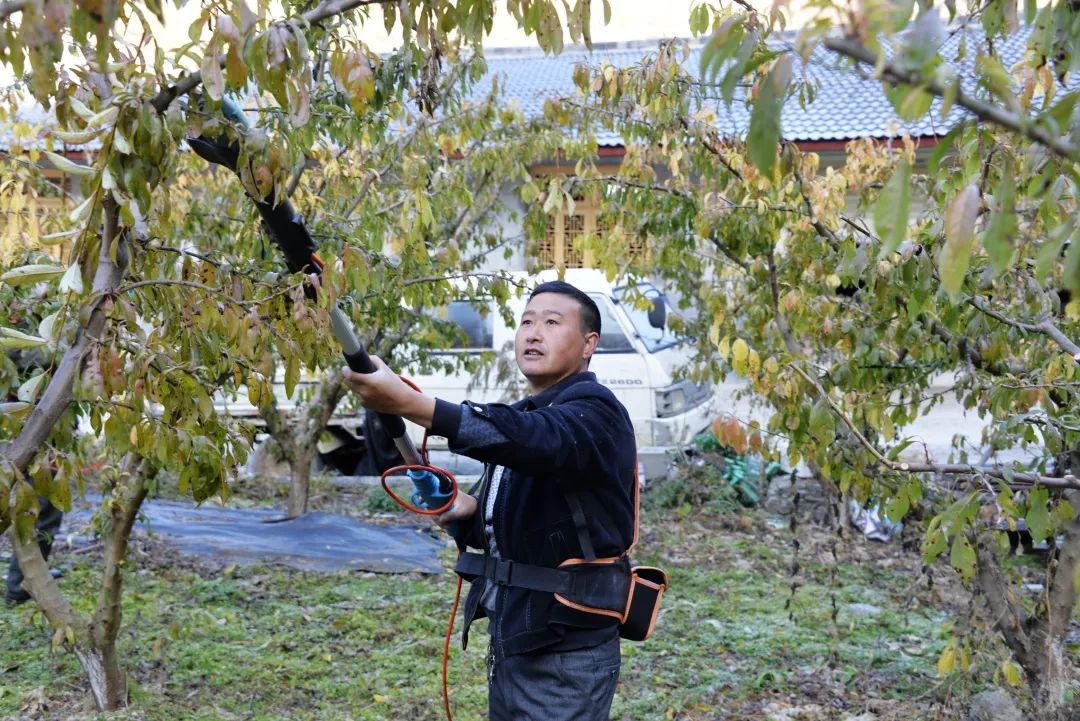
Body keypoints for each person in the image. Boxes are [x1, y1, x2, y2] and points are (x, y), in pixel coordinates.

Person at [344, 280, 636, 720]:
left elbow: (535, 442)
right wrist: (465, 510)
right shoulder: (525, 417)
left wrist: (411, 402)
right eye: (526, 322)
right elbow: (513, 521)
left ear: (588, 344)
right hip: (517, 638)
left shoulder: (596, 413)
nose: (533, 333)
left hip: (566, 654)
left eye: (552, 323)